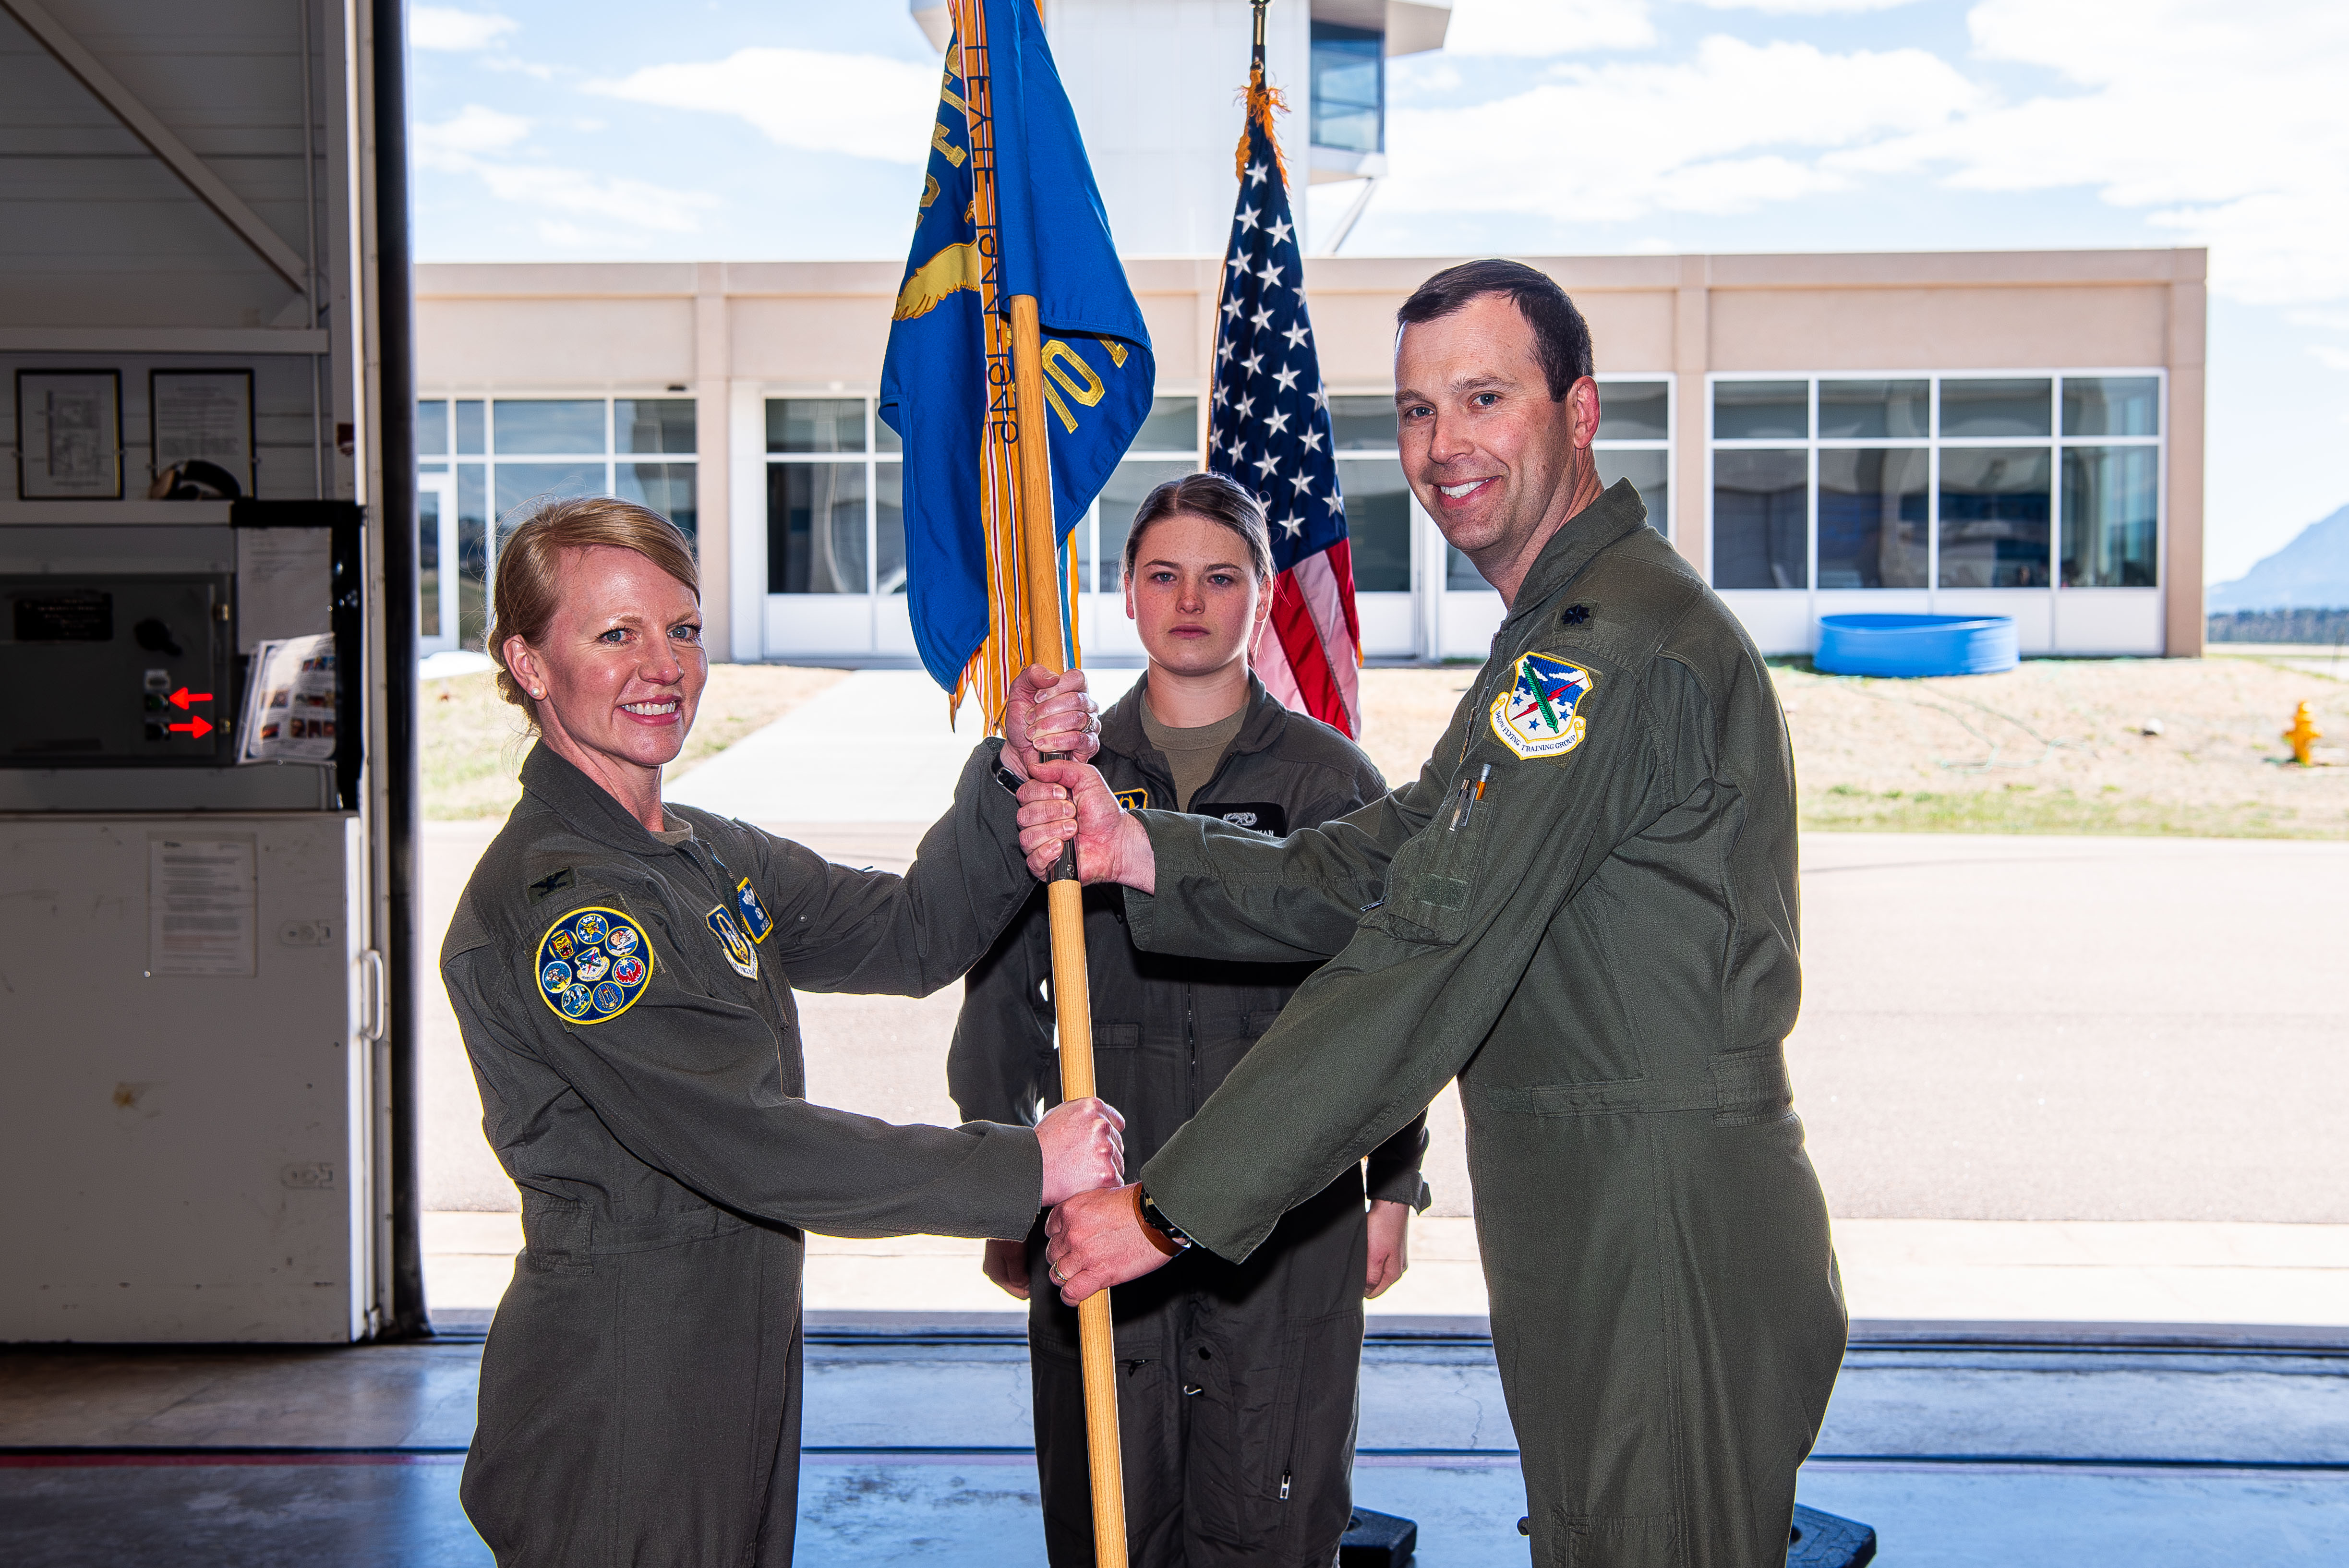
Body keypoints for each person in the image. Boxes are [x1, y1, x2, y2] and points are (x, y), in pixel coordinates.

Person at [1020, 261, 1848, 1567]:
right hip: (1611, 1211)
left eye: (1482, 397)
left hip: (1652, 1232)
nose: (1441, 445)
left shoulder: (1597, 650)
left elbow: (1425, 950)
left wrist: (1167, 1211)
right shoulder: (1562, 623)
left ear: (1576, 411)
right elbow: (1397, 855)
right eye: (1413, 411)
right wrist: (1147, 852)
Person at [440, 496, 1123, 1568]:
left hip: (729, 1349)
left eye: (683, 628)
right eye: (614, 634)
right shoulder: (570, 908)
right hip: (630, 1376)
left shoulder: (700, 851)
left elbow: (907, 934)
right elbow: (751, 1139)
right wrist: (1019, 1168)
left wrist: (1004, 776)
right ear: (529, 664)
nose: (661, 664)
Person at [950, 472, 1428, 1568]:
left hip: (1285, 1212)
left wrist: (1393, 1180)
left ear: (1262, 597)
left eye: (1221, 577)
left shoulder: (1330, 783)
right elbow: (999, 990)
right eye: (1161, 574)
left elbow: (1393, 995)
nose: (1189, 601)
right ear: (1123, 594)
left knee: (1271, 1498)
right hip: (1099, 1188)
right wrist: (995, 1179)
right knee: (1109, 1503)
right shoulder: (1065, 777)